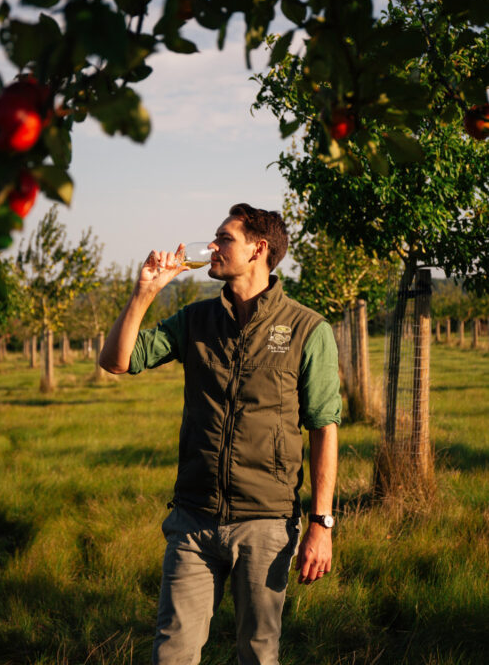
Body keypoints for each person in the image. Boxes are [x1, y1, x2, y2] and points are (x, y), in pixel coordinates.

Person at [99, 203, 341, 665]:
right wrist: (143, 294)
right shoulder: (195, 319)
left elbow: (323, 428)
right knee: (171, 653)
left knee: (256, 653)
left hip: (266, 523)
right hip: (193, 520)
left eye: (223, 239)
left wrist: (321, 524)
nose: (211, 247)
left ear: (259, 250)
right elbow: (117, 361)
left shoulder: (309, 329)